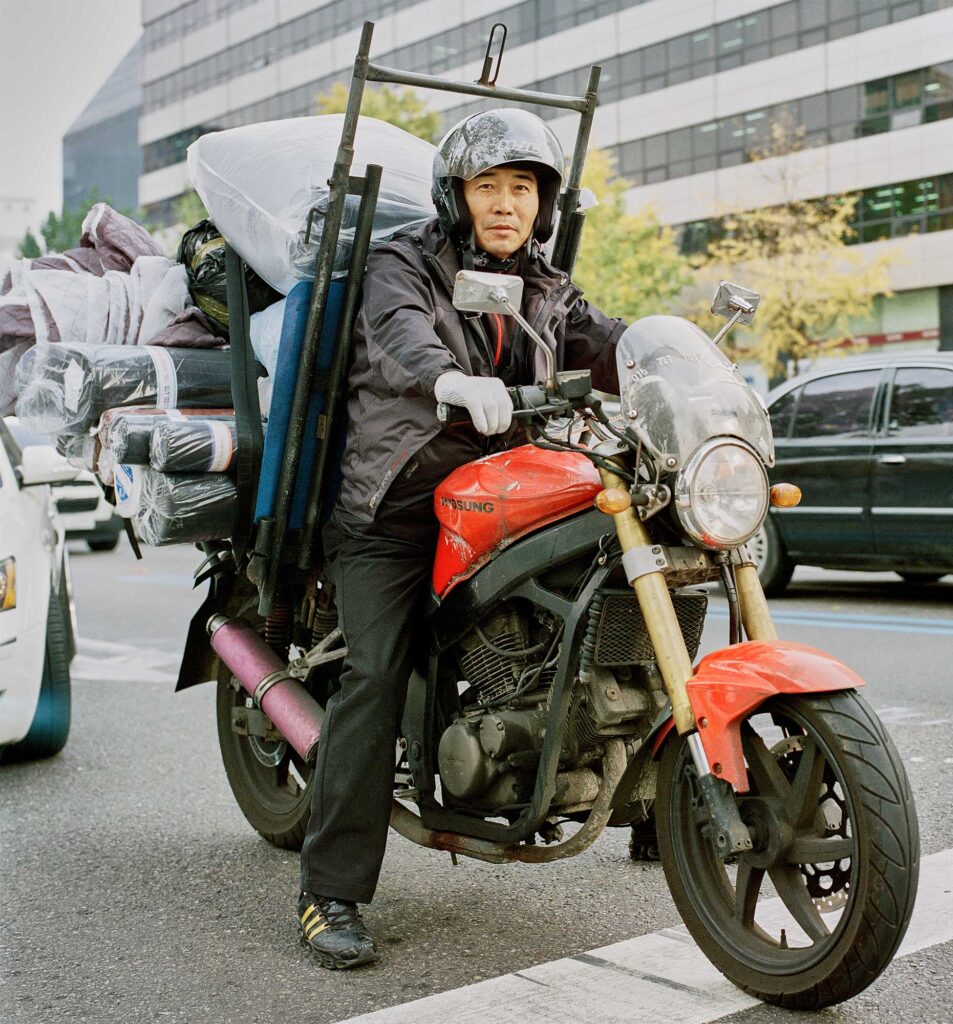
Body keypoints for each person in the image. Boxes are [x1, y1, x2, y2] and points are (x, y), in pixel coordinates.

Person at [297, 108, 628, 970]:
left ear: (544, 203)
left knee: (616, 573)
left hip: (500, 492)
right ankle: (328, 892)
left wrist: (679, 361)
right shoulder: (401, 262)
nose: (508, 204)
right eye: (491, 187)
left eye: (524, 188)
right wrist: (448, 378)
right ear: (459, 197)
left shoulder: (546, 287)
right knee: (373, 672)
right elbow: (401, 334)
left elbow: (607, 342)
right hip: (396, 501)